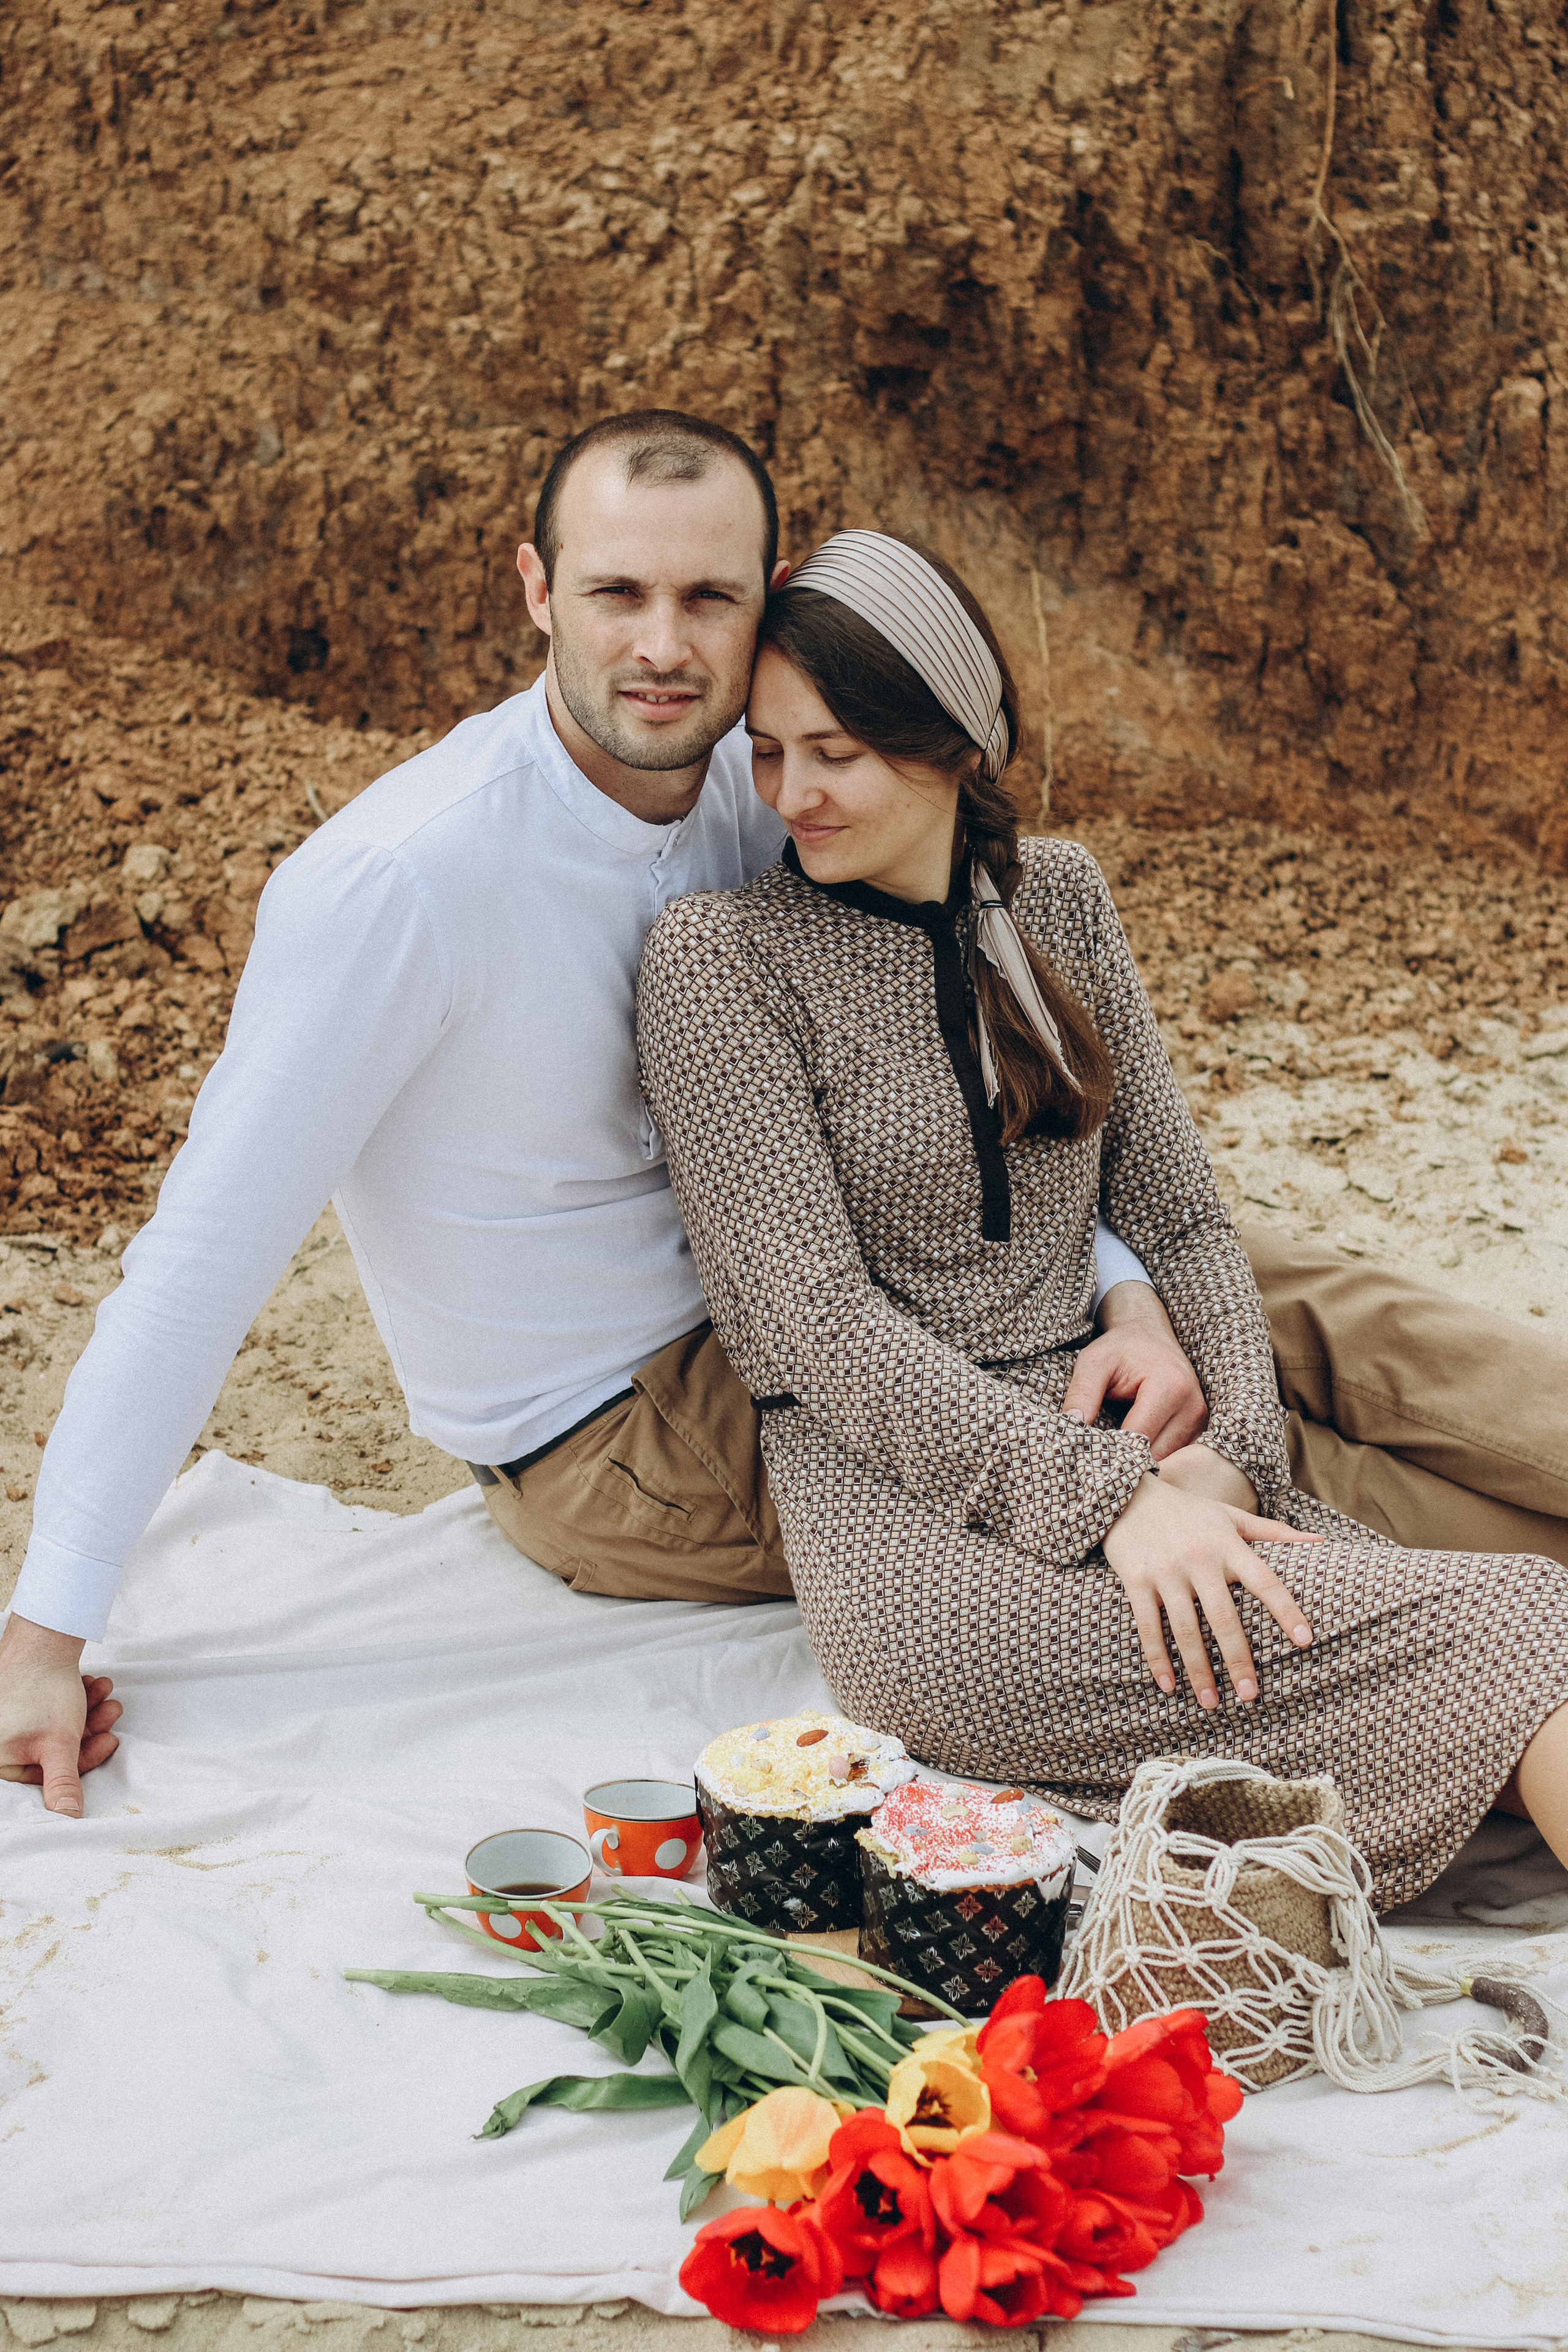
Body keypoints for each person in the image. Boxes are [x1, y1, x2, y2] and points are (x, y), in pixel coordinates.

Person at [4, 415, 1566, 1825]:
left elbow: (979, 1081)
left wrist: (1123, 1282)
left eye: (710, 600)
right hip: (636, 1423)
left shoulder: (768, 777)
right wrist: (44, 1635)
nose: (665, 648)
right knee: (1229, 1470)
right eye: (618, 595)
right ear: (537, 590)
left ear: (773, 595)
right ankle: (1491, 1637)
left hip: (878, 1264)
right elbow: (201, 1261)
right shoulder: (398, 888)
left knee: (1290, 1294)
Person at [635, 529, 1568, 1909]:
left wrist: (1232, 1466)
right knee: (1525, 1625)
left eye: (833, 750)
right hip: (920, 1540)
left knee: (1467, 1645)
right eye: (767, 754)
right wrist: (1115, 1501)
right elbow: (808, 1336)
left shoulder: (1058, 896)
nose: (792, 795)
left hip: (1148, 1471)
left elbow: (1182, 1221)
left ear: (952, 739)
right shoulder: (720, 960)